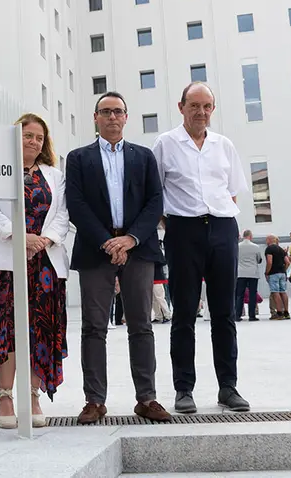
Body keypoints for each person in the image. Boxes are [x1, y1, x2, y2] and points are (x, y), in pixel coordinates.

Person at [67, 91, 170, 424]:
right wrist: (107, 243)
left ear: (126, 117)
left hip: (138, 248)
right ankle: (94, 400)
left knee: (141, 325)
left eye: (118, 111)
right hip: (95, 249)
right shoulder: (78, 158)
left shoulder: (144, 156)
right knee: (93, 327)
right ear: (95, 118)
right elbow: (76, 204)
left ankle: (147, 398)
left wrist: (129, 239)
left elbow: (155, 201)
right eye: (105, 111)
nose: (112, 117)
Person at [152, 82, 250, 414]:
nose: (201, 112)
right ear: (181, 107)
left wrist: (219, 224)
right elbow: (155, 192)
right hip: (183, 230)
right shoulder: (165, 143)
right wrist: (172, 225)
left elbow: (231, 191)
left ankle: (228, 387)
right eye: (194, 105)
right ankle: (184, 389)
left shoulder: (224, 145)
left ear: (213, 109)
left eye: (207, 106)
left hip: (222, 227)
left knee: (224, 312)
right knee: (183, 312)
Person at [0, 113, 69, 429]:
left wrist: (44, 240)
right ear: (15, 137)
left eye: (39, 138)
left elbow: (63, 214)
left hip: (44, 264)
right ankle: (5, 396)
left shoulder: (55, 176)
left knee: (39, 330)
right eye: (28, 135)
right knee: (6, 330)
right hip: (4, 264)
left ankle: (32, 395)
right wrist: (19, 236)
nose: (34, 142)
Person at [236, 230, 262, 322]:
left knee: (239, 295)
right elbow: (259, 260)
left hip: (240, 273)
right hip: (253, 273)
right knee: (252, 294)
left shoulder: (237, 246)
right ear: (250, 236)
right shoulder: (256, 247)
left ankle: (237, 315)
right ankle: (252, 316)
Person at [265, 235, 290, 320]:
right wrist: (284, 270)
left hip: (273, 273)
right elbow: (287, 262)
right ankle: (286, 312)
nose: (266, 241)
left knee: (275, 292)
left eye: (266, 240)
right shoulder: (281, 249)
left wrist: (267, 272)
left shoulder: (269, 249)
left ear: (269, 240)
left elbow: (269, 262)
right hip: (282, 273)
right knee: (283, 292)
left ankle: (279, 313)